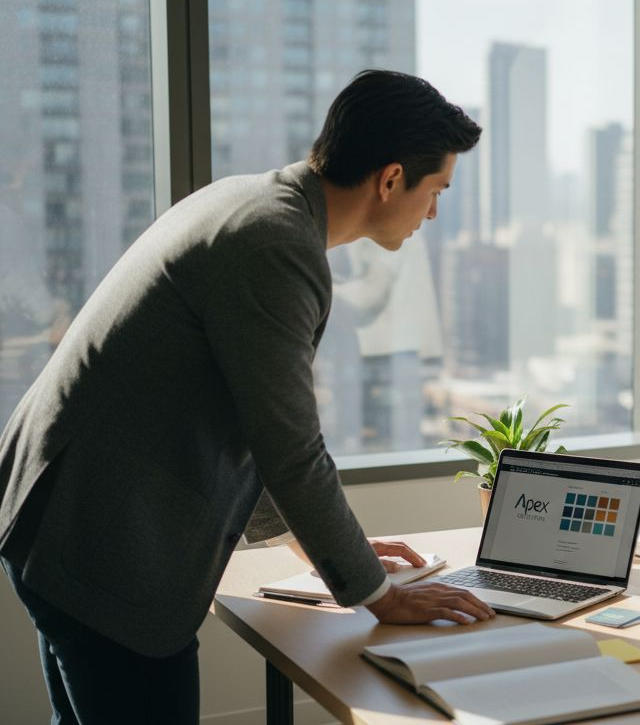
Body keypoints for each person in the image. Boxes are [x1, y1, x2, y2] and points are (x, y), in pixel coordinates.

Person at [0, 69, 497, 723]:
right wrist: (380, 596)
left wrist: (329, 556)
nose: (433, 212)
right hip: (107, 548)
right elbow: (291, 449)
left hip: (61, 518)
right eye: (436, 191)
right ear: (390, 179)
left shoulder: (254, 204)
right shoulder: (277, 245)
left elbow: (252, 425)